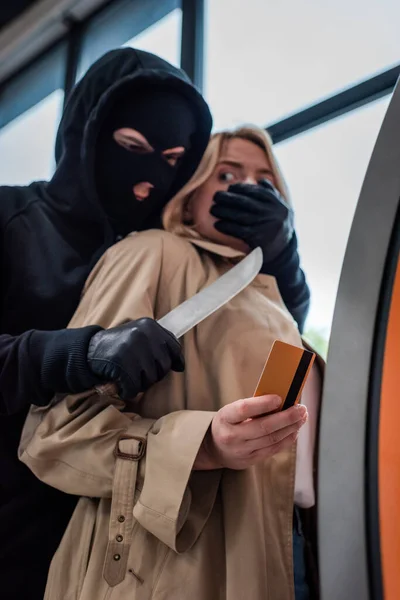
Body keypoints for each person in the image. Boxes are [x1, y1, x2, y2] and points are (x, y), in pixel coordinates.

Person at [20, 126, 320, 599]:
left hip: (281, 551)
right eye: (226, 174)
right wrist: (203, 446)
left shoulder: (274, 301)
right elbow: (57, 432)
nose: (248, 189)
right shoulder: (155, 253)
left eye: (266, 183)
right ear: (189, 198)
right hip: (169, 565)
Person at [0, 47, 213, 600]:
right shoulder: (8, 220)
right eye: (131, 149)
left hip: (93, 549)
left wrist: (280, 251)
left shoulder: (153, 255)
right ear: (84, 134)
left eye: (171, 160)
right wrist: (81, 351)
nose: (148, 182)